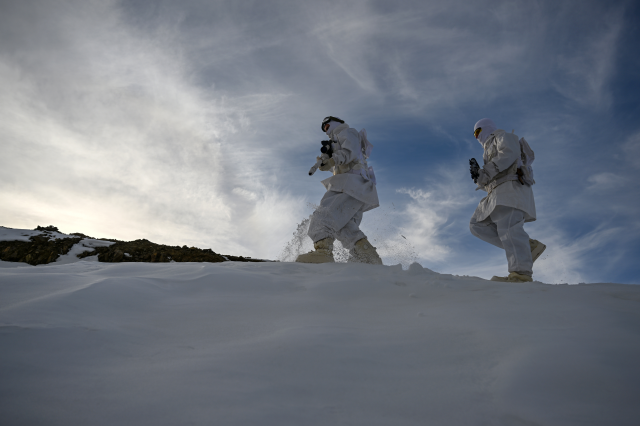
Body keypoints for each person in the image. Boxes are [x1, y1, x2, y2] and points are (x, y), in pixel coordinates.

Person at [296, 116, 383, 264]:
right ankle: (366, 255)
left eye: (327, 126)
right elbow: (347, 162)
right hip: (357, 186)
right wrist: (328, 165)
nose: (326, 131)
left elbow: (350, 152)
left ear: (336, 123)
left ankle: (323, 252)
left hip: (350, 184)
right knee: (343, 225)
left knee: (324, 215)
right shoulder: (339, 139)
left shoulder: (346, 132)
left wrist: (333, 159)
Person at [469, 118, 546, 282]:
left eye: (478, 131)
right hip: (496, 193)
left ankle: (521, 274)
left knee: (509, 228)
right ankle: (528, 246)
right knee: (477, 225)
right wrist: (479, 177)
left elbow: (509, 153)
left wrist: (486, 172)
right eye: (474, 134)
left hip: (511, 188)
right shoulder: (487, 151)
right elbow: (492, 174)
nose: (476, 137)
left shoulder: (502, 136)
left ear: (487, 128)